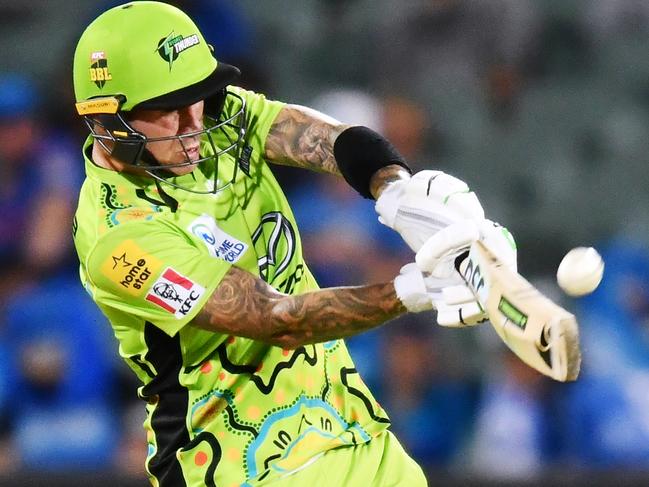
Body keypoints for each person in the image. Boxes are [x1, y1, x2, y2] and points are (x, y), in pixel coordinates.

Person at [71, 2, 516, 485]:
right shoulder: (119, 240)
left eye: (197, 99)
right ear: (107, 120)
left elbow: (325, 138)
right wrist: (417, 289)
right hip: (239, 463)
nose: (194, 125)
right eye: (168, 113)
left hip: (353, 430)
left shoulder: (218, 116)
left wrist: (397, 191)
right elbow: (273, 318)